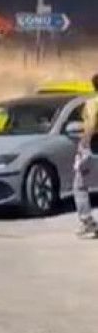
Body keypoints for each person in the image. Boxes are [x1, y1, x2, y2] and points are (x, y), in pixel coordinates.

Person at [73, 74, 98, 238]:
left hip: (94, 147)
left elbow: (91, 125)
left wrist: (83, 144)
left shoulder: (92, 103)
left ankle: (87, 221)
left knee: (80, 184)